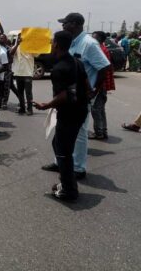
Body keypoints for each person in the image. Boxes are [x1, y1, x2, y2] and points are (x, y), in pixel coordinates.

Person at [42, 13, 110, 179]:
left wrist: (93, 90)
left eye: (65, 23)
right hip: (65, 97)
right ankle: (59, 162)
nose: (63, 26)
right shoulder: (70, 42)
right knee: (61, 132)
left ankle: (78, 168)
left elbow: (104, 67)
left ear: (75, 24)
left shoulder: (89, 44)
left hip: (79, 98)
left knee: (79, 134)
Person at [34, 31, 89, 201]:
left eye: (52, 42)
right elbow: (87, 85)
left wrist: (46, 105)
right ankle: (66, 182)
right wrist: (86, 99)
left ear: (56, 44)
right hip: (80, 111)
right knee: (58, 145)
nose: (51, 44)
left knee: (64, 152)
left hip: (70, 113)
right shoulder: (76, 62)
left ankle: (69, 190)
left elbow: (65, 94)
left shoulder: (59, 68)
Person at [89, 31, 115, 140]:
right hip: (102, 84)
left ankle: (99, 132)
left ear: (99, 39)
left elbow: (102, 70)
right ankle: (103, 130)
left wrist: (95, 88)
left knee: (96, 109)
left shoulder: (99, 50)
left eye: (93, 37)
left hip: (99, 84)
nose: (91, 39)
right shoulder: (103, 49)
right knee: (100, 108)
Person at [10, 33, 35, 115]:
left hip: (27, 73)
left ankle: (30, 109)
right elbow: (11, 53)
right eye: (19, 37)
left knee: (28, 92)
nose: (21, 38)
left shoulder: (31, 47)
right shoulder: (16, 46)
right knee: (20, 92)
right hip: (18, 73)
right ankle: (22, 108)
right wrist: (17, 44)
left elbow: (38, 53)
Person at [0, 33, 19, 110]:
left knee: (6, 87)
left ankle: (4, 103)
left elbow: (11, 55)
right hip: (0, 71)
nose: (1, 39)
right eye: (0, 38)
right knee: (8, 87)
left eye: (2, 38)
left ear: (6, 39)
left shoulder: (8, 48)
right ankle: (21, 99)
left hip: (7, 71)